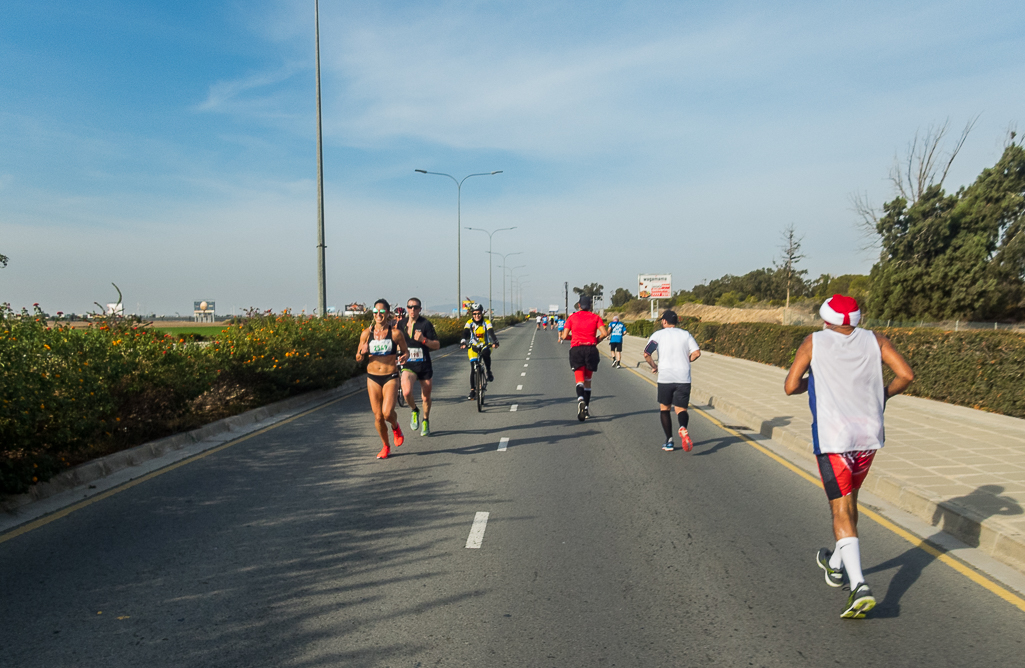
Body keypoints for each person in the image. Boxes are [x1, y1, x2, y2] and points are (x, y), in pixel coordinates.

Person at [784, 294, 914, 619]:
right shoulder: (876, 340)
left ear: (825, 318)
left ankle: (860, 586)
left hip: (833, 438)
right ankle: (835, 564)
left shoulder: (813, 342)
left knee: (840, 508)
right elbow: (906, 375)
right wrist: (882, 395)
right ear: (856, 318)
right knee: (852, 499)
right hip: (868, 436)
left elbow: (789, 386)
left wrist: (809, 382)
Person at [355, 299, 410, 459]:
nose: (378, 314)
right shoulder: (366, 334)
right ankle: (386, 446)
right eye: (376, 311)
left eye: (382, 312)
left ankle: (395, 426)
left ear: (387, 313)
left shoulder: (395, 333)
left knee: (386, 413)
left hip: (390, 376)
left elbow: (405, 351)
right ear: (373, 313)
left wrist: (404, 357)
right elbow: (358, 357)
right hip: (372, 377)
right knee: (378, 416)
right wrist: (362, 351)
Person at [642, 310, 701, 451]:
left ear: (664, 321)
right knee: (681, 409)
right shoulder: (685, 334)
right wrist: (686, 361)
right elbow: (697, 353)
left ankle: (669, 441)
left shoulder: (658, 335)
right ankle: (682, 428)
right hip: (683, 377)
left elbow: (646, 353)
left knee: (665, 408)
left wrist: (654, 366)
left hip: (665, 377)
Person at [560, 295, 608, 421]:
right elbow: (605, 333)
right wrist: (595, 341)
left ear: (579, 305)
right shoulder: (596, 317)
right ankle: (586, 409)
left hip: (577, 349)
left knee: (579, 380)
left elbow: (564, 336)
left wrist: (574, 337)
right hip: (591, 349)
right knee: (588, 381)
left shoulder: (572, 317)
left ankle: (580, 400)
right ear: (590, 306)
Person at [397, 297, 440, 436]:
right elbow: (396, 341)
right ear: (407, 308)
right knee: (406, 392)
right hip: (409, 364)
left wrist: (423, 340)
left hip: (424, 365)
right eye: (410, 307)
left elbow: (437, 345)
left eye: (415, 307)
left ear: (420, 309)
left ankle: (426, 420)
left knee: (426, 397)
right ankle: (414, 410)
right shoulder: (401, 324)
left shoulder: (426, 324)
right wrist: (399, 353)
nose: (412, 310)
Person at [461, 303, 500, 400]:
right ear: (472, 314)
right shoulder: (469, 322)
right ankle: (472, 390)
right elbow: (465, 332)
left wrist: (495, 341)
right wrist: (463, 341)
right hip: (473, 347)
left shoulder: (486, 322)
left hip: (485, 345)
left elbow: (491, 332)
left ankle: (489, 371)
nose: (477, 316)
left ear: (482, 313)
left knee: (486, 353)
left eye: (478, 313)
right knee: (473, 367)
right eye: (474, 314)